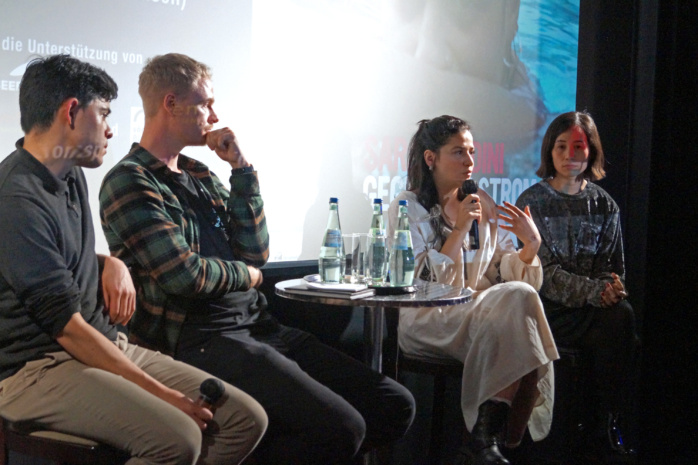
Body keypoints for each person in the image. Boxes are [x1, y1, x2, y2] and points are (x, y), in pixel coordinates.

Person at [99, 53, 415, 465]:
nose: (214, 115)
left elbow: (256, 250)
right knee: (341, 428)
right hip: (202, 340)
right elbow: (185, 276)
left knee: (394, 404)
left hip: (260, 326)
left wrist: (241, 167)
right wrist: (245, 276)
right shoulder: (129, 180)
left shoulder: (200, 173)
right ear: (170, 104)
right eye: (205, 104)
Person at [0, 55, 267, 465]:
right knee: (177, 439)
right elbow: (65, 327)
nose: (110, 128)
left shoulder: (65, 174)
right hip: (36, 368)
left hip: (101, 342)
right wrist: (163, 394)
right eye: (103, 113)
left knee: (243, 418)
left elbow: (46, 251)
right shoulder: (17, 195)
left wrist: (109, 262)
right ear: (72, 112)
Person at [387, 115, 558, 465]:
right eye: (458, 152)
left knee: (519, 300)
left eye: (472, 152)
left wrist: (530, 247)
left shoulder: (483, 203)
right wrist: (460, 228)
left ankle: (484, 439)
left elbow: (504, 270)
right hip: (427, 318)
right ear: (430, 158)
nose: (470, 162)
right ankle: (492, 437)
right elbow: (420, 283)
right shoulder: (406, 208)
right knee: (516, 313)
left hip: (477, 314)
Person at [515, 111, 638, 463]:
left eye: (579, 146)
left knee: (623, 316)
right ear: (549, 151)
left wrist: (613, 288)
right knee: (613, 322)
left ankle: (605, 423)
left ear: (591, 151)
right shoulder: (532, 202)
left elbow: (614, 269)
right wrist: (596, 293)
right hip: (546, 310)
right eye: (562, 146)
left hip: (590, 309)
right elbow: (544, 274)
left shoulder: (605, 204)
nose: (571, 154)